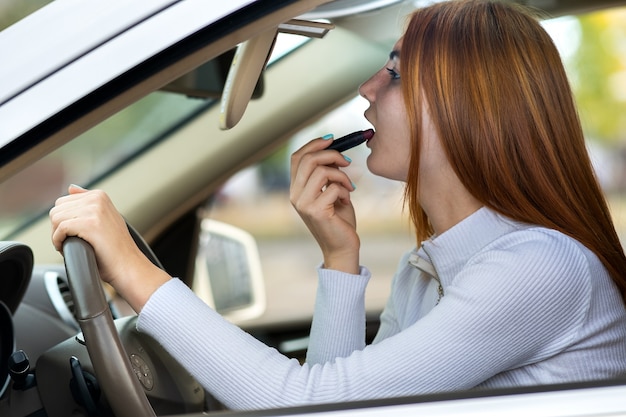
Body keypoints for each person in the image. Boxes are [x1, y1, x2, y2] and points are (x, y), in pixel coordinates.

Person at [50, 0, 626, 411]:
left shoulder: (540, 268)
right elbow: (334, 403)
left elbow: (304, 402)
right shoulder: (425, 272)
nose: (367, 89)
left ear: (467, 108)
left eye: (395, 73)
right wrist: (339, 254)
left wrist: (134, 271)